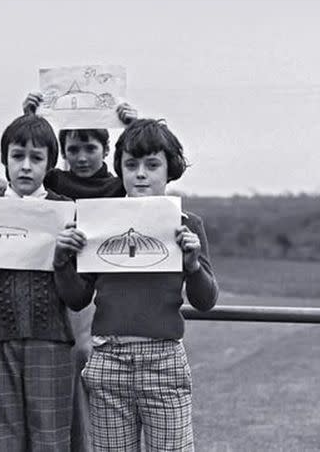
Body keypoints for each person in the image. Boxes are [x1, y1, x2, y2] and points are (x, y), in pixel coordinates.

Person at [53, 118, 218, 451]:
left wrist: (193, 265)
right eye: (131, 164)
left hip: (164, 360)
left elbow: (205, 300)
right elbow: (77, 298)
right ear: (120, 169)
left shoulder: (188, 225)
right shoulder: (98, 223)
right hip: (108, 360)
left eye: (152, 165)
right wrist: (61, 261)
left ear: (170, 170)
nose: (141, 173)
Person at [22, 91, 136, 451]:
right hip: (56, 284)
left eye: (90, 148)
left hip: (99, 293)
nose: (82, 157)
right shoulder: (53, 182)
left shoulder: (119, 187)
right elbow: (21, 184)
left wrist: (133, 128)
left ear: (106, 149)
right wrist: (29, 118)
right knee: (65, 374)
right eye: (73, 149)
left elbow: (150, 184)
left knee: (92, 368)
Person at [0, 114, 79, 451]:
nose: (26, 166)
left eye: (36, 158)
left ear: (50, 164)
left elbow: (76, 294)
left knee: (51, 438)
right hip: (0, 338)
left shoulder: (65, 212)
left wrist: (65, 257)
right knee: (7, 438)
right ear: (4, 160)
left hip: (51, 338)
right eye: (17, 156)